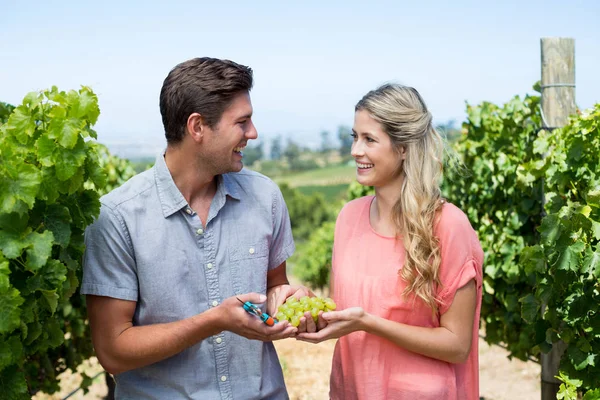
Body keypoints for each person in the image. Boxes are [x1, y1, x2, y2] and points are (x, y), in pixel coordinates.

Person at [81, 57, 310, 399]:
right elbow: (112, 351)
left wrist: (288, 301)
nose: (253, 133)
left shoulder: (265, 197)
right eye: (242, 122)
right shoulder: (118, 217)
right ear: (198, 127)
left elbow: (275, 285)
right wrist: (213, 321)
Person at [296, 83, 484, 400]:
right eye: (354, 137)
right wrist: (305, 306)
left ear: (404, 148)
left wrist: (369, 324)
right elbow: (348, 311)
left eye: (369, 139)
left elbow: (457, 345)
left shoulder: (448, 224)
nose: (356, 150)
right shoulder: (348, 218)